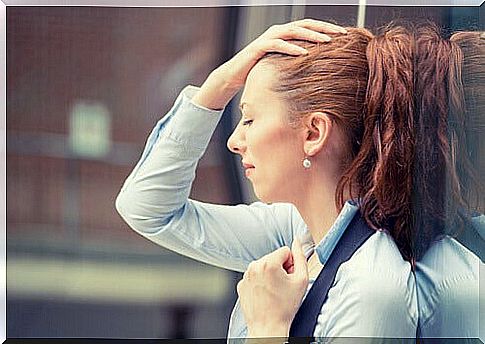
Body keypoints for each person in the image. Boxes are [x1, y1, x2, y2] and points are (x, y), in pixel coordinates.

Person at [115, 19, 418, 339]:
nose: (234, 140)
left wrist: (267, 329)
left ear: (313, 133)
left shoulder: (370, 292)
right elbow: (148, 209)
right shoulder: (297, 229)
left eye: (249, 118)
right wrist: (221, 81)